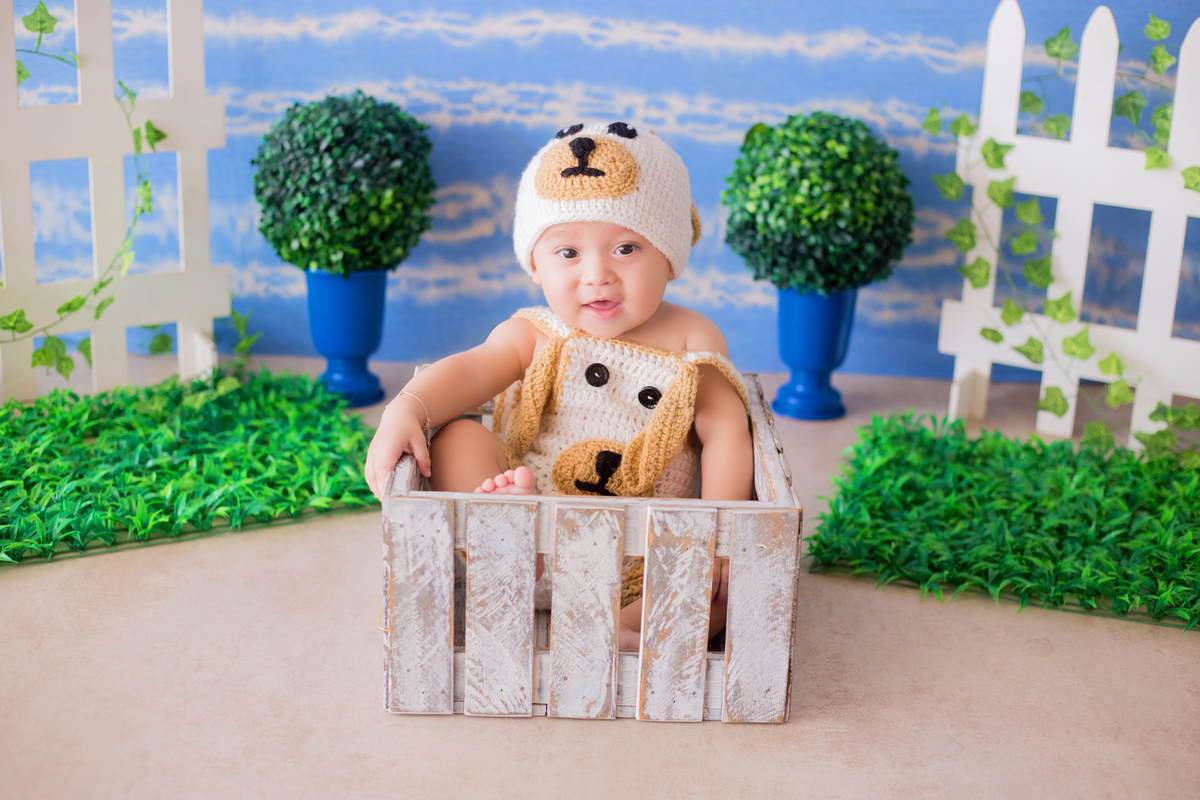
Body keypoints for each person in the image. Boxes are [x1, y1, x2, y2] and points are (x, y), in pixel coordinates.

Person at [364, 121, 753, 648]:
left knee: (722, 589)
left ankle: (630, 628)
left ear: (670, 251)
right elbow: (474, 369)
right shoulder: (535, 332)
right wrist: (407, 409)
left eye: (626, 249)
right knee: (456, 437)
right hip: (532, 540)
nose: (597, 275)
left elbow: (726, 432)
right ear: (535, 264)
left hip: (642, 553)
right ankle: (502, 543)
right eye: (568, 253)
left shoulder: (691, 338)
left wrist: (716, 533)